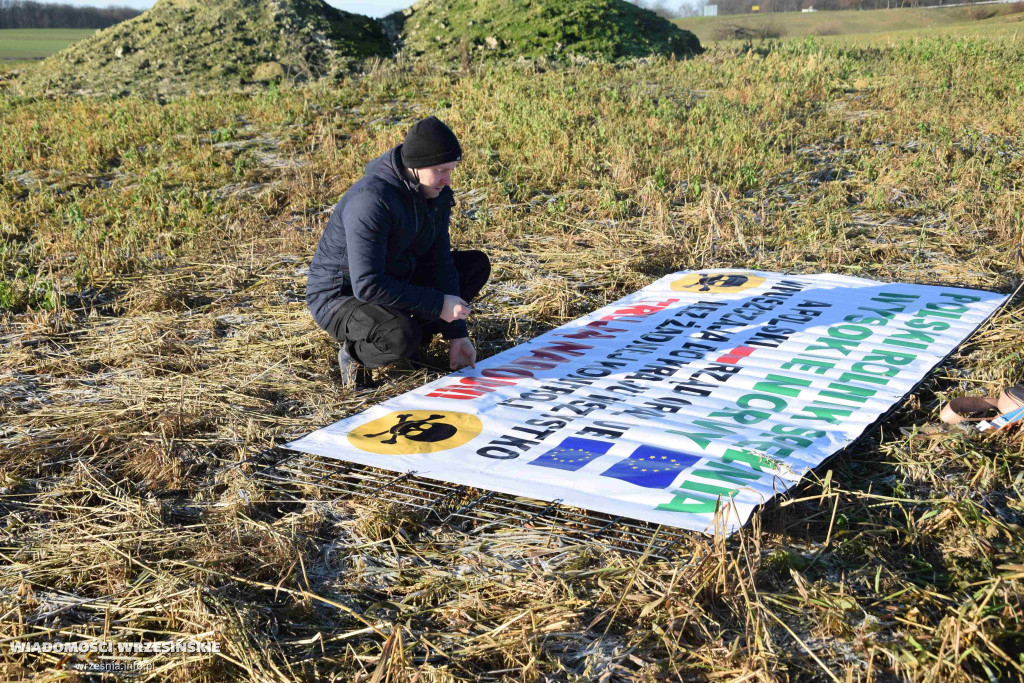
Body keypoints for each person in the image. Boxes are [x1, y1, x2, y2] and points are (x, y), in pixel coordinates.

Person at [305, 116, 490, 385]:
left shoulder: (435, 194)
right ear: (415, 166)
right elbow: (367, 285)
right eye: (440, 170)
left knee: (473, 267)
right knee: (401, 335)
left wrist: (456, 334)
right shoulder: (371, 200)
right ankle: (356, 354)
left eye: (451, 170)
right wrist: (438, 305)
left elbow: (439, 261)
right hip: (342, 296)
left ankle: (416, 343)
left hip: (396, 274)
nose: (447, 180)